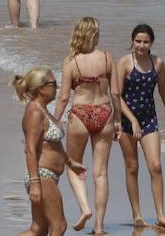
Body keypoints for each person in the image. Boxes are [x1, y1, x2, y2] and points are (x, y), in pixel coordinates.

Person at [54, 17, 118, 234]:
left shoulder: (71, 61)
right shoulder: (108, 58)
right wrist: (117, 119)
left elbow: (63, 97)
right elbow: (116, 93)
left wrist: (54, 120)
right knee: (101, 173)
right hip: (105, 112)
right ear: (94, 34)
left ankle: (84, 208)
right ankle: (99, 227)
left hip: (80, 114)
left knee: (73, 165)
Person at [114, 24, 165, 229]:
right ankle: (137, 216)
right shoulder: (124, 63)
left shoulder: (157, 62)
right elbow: (116, 96)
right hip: (125, 120)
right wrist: (131, 119)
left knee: (155, 166)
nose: (141, 45)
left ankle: (161, 214)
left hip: (149, 118)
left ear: (151, 43)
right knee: (132, 167)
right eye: (138, 41)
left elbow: (164, 90)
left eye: (146, 42)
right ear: (132, 41)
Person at [13, 66, 84, 236]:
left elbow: (54, 145)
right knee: (59, 226)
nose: (57, 87)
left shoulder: (43, 110)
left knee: (38, 229)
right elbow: (30, 149)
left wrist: (70, 162)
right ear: (41, 88)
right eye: (53, 84)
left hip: (47, 176)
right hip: (41, 175)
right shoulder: (34, 112)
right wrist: (35, 183)